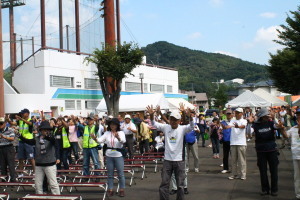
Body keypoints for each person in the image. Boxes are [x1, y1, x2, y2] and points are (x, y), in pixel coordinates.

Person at [146, 105, 193, 200]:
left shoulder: (182, 128)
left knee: (180, 185)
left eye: (175, 120)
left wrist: (190, 116)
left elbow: (192, 126)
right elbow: (154, 124)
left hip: (179, 160)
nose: (173, 121)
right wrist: (151, 115)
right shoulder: (166, 127)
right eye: (171, 119)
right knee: (164, 184)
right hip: (167, 160)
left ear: (179, 121)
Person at [20, 120, 60, 194]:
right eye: (43, 129)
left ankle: (57, 198)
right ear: (40, 130)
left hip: (50, 165)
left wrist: (46, 137)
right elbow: (29, 141)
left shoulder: (52, 138)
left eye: (47, 129)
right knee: (38, 185)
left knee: (53, 184)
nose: (45, 131)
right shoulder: (37, 138)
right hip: (39, 165)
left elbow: (54, 142)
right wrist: (20, 136)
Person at [92, 118, 126, 197]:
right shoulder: (107, 133)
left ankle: (122, 189)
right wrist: (95, 138)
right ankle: (110, 189)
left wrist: (118, 138)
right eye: (111, 124)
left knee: (120, 174)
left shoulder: (121, 132)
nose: (112, 126)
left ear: (117, 125)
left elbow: (123, 141)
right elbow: (100, 140)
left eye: (114, 124)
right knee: (110, 174)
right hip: (109, 155)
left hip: (118, 154)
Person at [222, 107, 247, 180]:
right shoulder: (233, 119)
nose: (236, 114)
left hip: (241, 142)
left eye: (238, 113)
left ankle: (243, 175)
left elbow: (243, 126)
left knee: (242, 160)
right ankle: (234, 174)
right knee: (233, 160)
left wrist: (237, 126)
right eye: (235, 112)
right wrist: (225, 127)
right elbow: (229, 126)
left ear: (241, 113)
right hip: (233, 142)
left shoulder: (244, 120)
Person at [8, 109, 36, 173]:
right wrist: (7, 119)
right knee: (20, 158)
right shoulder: (20, 121)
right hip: (21, 141)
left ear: (28, 114)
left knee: (31, 158)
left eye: (23, 113)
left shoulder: (30, 120)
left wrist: (21, 119)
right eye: (21, 113)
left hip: (29, 141)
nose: (22, 114)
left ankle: (35, 173)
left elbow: (30, 123)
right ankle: (21, 173)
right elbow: (12, 123)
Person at [282, 108, 300, 199]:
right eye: (298, 116)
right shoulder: (293, 129)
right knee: (297, 177)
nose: (299, 118)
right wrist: (281, 128)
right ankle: (298, 194)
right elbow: (285, 135)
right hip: (296, 155)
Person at [0, 117, 17, 182]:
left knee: (11, 164)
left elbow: (12, 138)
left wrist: (4, 136)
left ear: (5, 123)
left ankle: (13, 180)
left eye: (1, 123)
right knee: (2, 165)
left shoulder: (10, 129)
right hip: (1, 148)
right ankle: (4, 179)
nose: (0, 125)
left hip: (9, 148)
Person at [220, 109, 233, 173]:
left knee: (233, 155)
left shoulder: (234, 122)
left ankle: (234, 168)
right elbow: (220, 130)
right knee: (225, 155)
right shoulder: (223, 122)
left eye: (230, 114)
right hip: (225, 140)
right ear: (226, 114)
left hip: (233, 140)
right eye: (228, 114)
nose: (229, 115)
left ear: (232, 114)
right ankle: (225, 168)